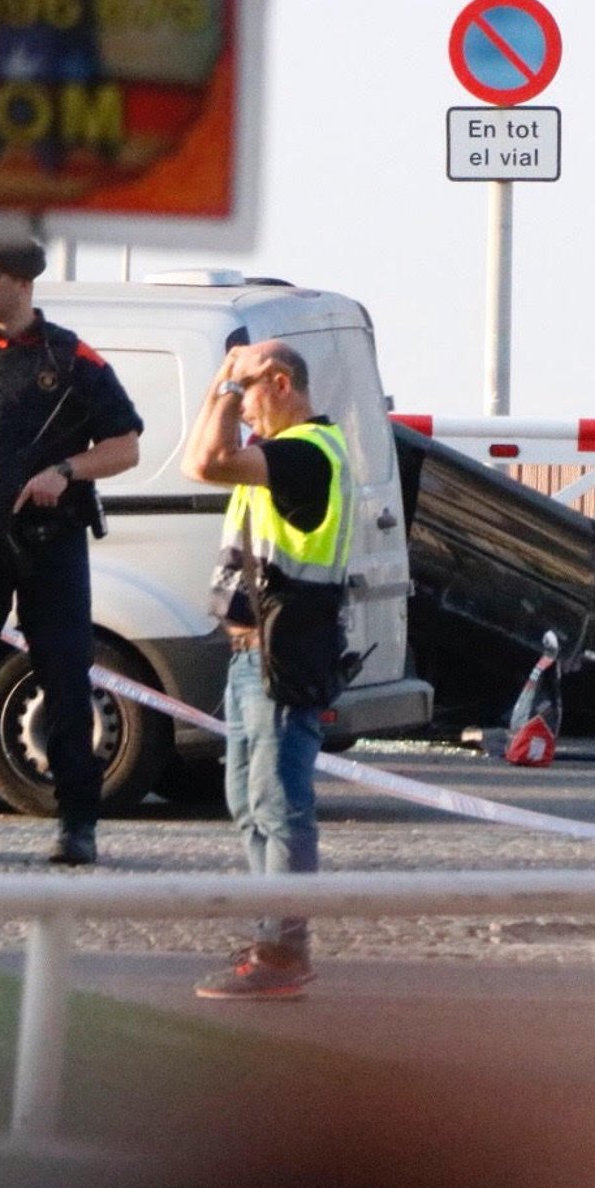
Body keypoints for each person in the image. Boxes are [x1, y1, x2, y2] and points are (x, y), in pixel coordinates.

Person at [0, 241, 143, 865]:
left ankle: (77, 826)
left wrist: (67, 471)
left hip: (52, 545)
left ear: (20, 280)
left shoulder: (71, 359)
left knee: (66, 682)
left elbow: (125, 445)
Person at [182, 339, 357, 997]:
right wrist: (226, 379)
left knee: (278, 805)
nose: (243, 409)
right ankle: (270, 934)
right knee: (248, 802)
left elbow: (208, 456)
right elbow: (201, 465)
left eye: (250, 391)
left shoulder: (306, 454)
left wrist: (228, 385)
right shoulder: (284, 453)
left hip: (283, 656)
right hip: (252, 656)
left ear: (281, 383)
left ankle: (283, 950)